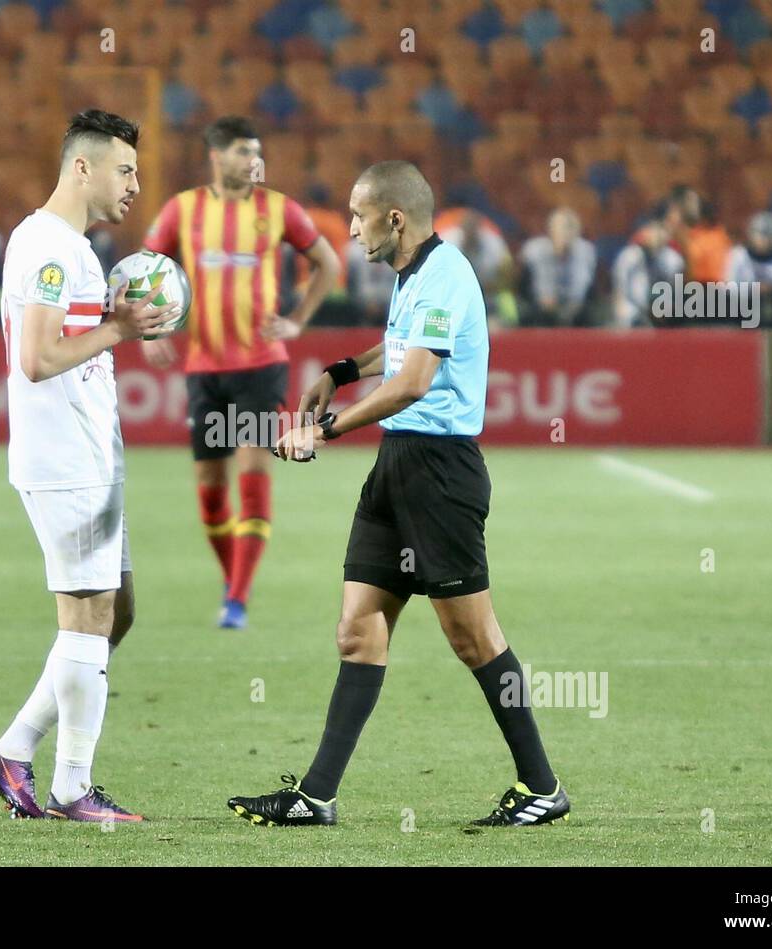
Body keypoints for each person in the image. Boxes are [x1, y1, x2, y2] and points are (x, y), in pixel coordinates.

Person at [228, 161, 569, 829]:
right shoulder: (416, 276)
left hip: (440, 474)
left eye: (358, 217)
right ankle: (316, 798)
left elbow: (414, 380)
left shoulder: (444, 277)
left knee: (473, 639)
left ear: (395, 218)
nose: (350, 230)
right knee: (358, 630)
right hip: (398, 468)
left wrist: (323, 428)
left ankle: (542, 787)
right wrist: (341, 371)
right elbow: (398, 352)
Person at [0, 110, 180, 824]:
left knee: (113, 613)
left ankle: (12, 751)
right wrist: (118, 329)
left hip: (89, 455)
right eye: (125, 169)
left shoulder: (68, 249)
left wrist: (118, 328)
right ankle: (68, 788)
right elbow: (35, 360)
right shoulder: (52, 251)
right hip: (65, 460)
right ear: (82, 168)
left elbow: (69, 347)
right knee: (88, 618)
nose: (136, 184)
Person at [140, 115, 341, 629]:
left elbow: (329, 264)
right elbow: (146, 268)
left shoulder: (278, 209)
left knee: (253, 475)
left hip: (260, 369)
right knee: (210, 489)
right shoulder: (183, 210)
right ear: (216, 155)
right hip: (205, 370)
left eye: (256, 151)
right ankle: (233, 587)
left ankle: (238, 599)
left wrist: (296, 322)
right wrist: (154, 330)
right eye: (241, 151)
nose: (252, 160)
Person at [518, 207, 596, 327]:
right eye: (561, 228)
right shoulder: (535, 251)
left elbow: (580, 291)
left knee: (588, 315)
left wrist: (571, 307)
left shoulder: (586, 252)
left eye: (570, 228)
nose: (565, 233)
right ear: (550, 230)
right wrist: (548, 301)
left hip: (576, 310)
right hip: (542, 309)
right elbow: (541, 294)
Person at [612, 214, 683, 327]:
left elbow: (674, 292)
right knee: (625, 314)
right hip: (633, 307)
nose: (655, 237)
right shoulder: (629, 256)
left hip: (661, 307)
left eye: (659, 233)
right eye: (652, 233)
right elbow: (619, 290)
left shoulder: (672, 260)